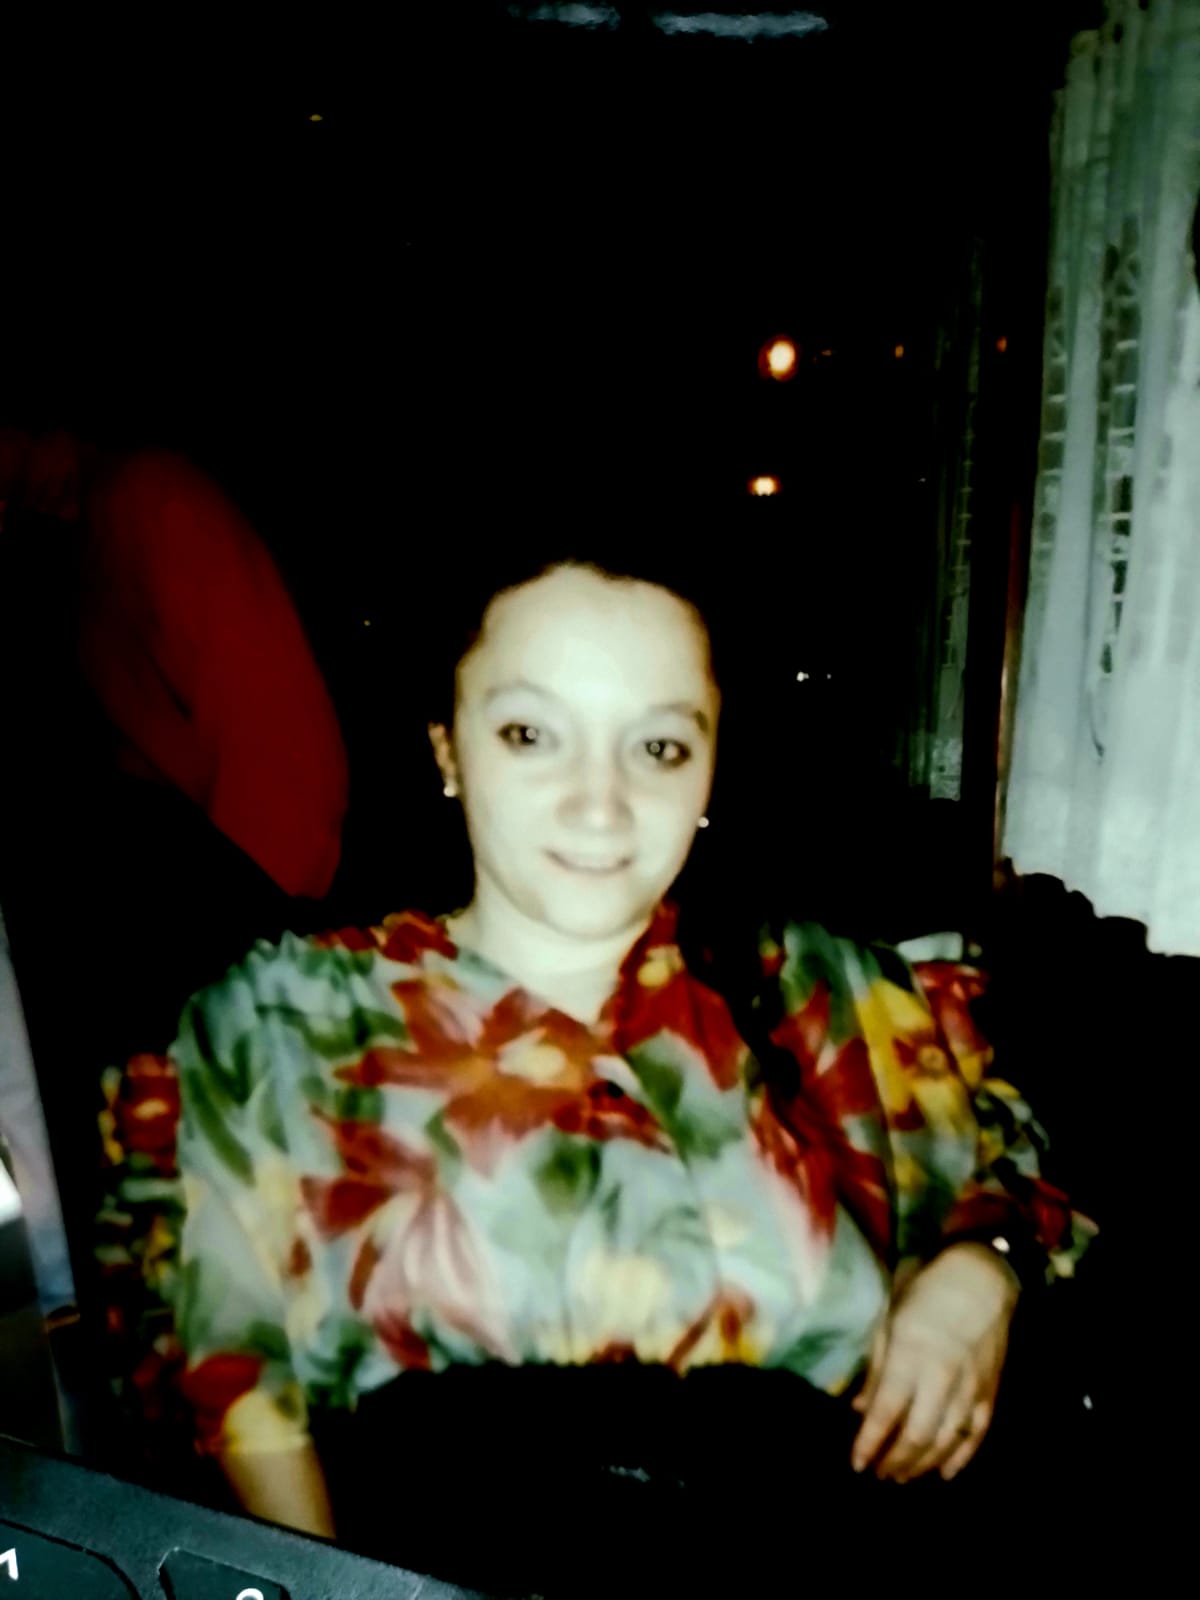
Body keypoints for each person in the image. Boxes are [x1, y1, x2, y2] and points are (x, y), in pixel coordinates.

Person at [103, 537, 1097, 1594]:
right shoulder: (272, 1028)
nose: (599, 804)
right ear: (447, 750)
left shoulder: (822, 995)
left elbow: (1021, 1152)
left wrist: (981, 1268)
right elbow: (226, 1387)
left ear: (710, 766)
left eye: (658, 747)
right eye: (531, 735)